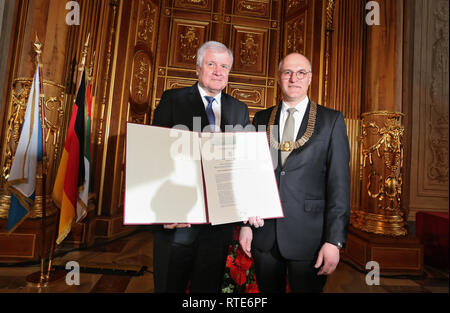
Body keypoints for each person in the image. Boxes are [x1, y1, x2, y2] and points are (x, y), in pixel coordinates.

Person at [151, 41, 263, 293]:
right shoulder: (173, 100)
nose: (218, 71)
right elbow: (154, 156)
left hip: (219, 225)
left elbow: (245, 166)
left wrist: (248, 215)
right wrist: (163, 212)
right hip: (178, 219)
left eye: (224, 66)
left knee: (206, 291)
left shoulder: (239, 109)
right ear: (198, 68)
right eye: (211, 64)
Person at [239, 52, 350, 292]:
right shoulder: (260, 118)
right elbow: (250, 176)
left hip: (310, 237)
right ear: (279, 78)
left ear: (310, 78)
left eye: (301, 73)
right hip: (264, 235)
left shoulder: (331, 120)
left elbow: (339, 186)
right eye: (287, 72)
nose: (294, 78)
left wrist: (334, 241)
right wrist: (245, 223)